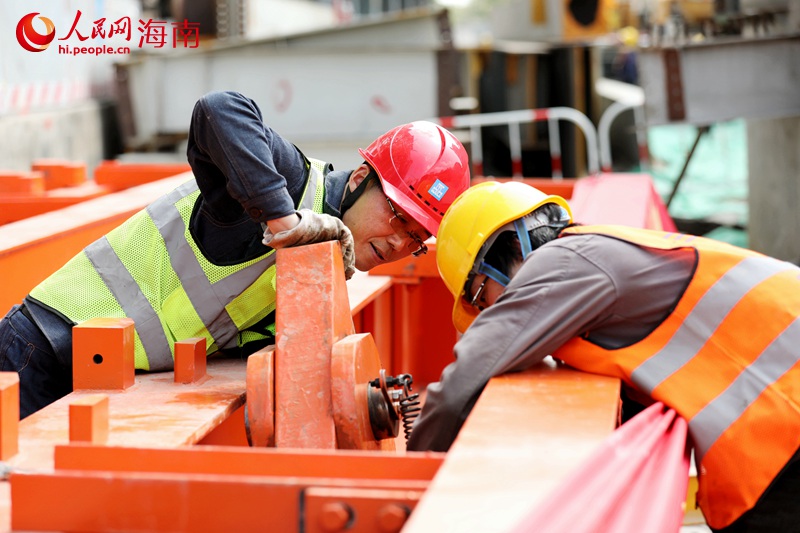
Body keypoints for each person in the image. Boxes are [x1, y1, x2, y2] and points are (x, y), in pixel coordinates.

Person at [0, 90, 470, 419]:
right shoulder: (289, 183)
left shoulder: (325, 258)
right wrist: (282, 220)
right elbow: (219, 109)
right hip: (41, 347)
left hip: (98, 374)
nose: (399, 242)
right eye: (397, 214)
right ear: (357, 179)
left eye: (417, 236)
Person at [406, 180, 800, 533]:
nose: (490, 310)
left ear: (511, 245)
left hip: (785, 408)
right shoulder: (594, 258)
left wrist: (411, 479)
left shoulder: (561, 264)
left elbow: (461, 384)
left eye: (478, 296)